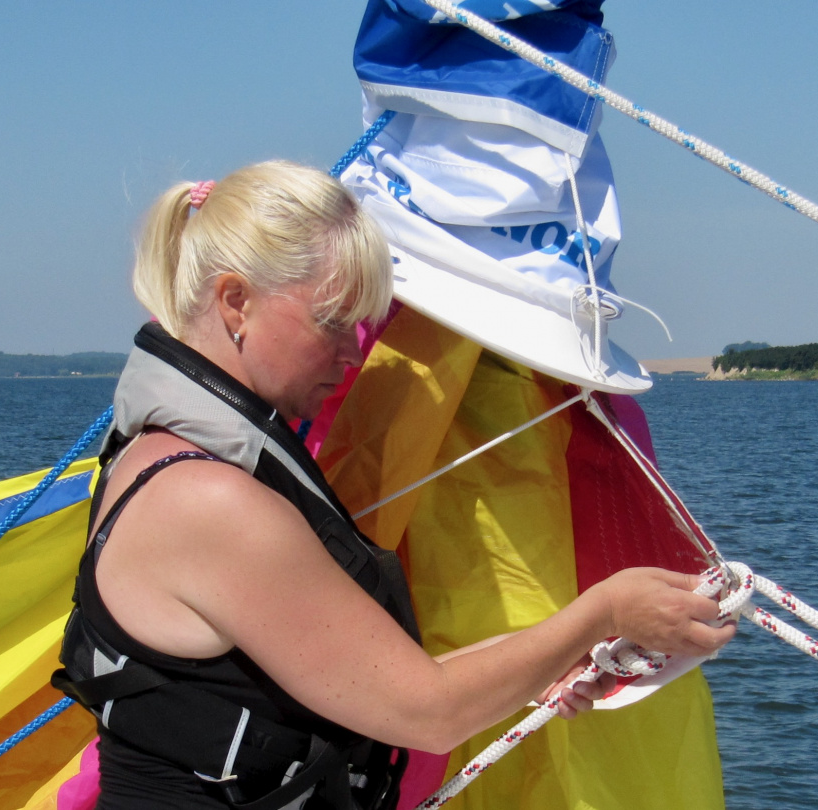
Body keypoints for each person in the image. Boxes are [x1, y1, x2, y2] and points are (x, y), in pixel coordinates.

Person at [54, 160, 735, 810]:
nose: (354, 353)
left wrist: (541, 662)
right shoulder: (208, 501)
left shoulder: (151, 457)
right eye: (331, 322)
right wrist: (604, 613)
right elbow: (428, 711)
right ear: (236, 301)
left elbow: (360, 674)